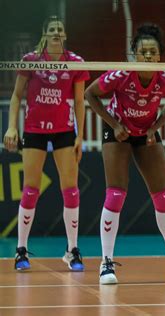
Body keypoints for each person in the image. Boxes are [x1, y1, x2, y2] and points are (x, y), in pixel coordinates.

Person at [84, 24, 165, 285]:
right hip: (117, 130)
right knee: (116, 194)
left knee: (164, 196)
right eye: (143, 52)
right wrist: (114, 124)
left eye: (153, 52)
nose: (148, 56)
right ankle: (106, 264)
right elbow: (90, 94)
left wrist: (155, 127)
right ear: (134, 54)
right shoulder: (119, 75)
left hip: (147, 132)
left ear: (160, 55)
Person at [3, 15, 89, 272]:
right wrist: (11, 127)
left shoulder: (75, 62)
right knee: (30, 189)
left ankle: (71, 249)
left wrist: (80, 135)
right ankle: (20, 250)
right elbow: (17, 96)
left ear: (64, 36)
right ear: (44, 34)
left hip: (64, 131)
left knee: (71, 190)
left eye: (59, 30)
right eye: (51, 29)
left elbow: (80, 101)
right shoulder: (30, 60)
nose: (55, 33)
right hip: (34, 130)